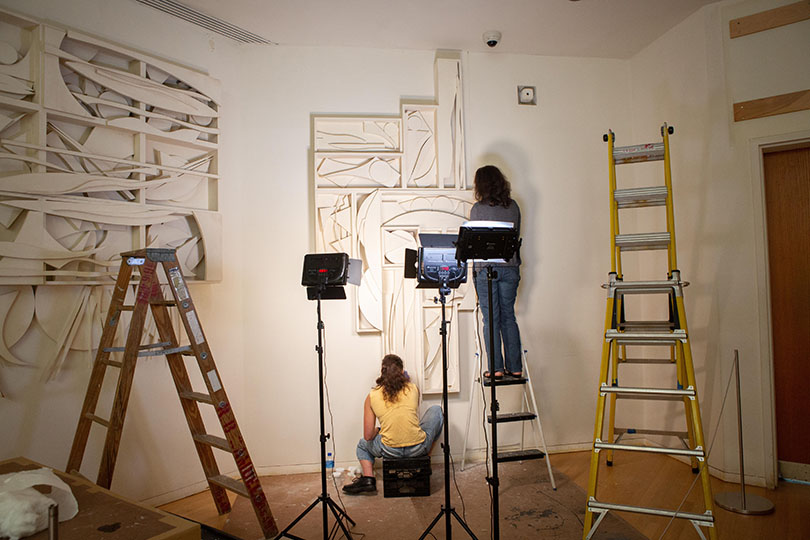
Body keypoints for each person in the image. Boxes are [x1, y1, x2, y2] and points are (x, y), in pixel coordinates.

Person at [342, 354, 443, 495]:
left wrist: (379, 429)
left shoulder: (372, 396)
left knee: (362, 445)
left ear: (382, 373)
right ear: (402, 372)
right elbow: (411, 414)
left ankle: (368, 480)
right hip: (418, 448)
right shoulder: (413, 388)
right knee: (436, 411)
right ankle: (425, 459)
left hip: (390, 450)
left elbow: (368, 436)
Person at [470, 165, 523, 379]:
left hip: (486, 268)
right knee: (508, 316)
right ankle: (515, 367)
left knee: (490, 319)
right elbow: (516, 234)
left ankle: (496, 369)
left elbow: (475, 241)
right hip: (510, 267)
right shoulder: (514, 207)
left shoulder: (477, 209)